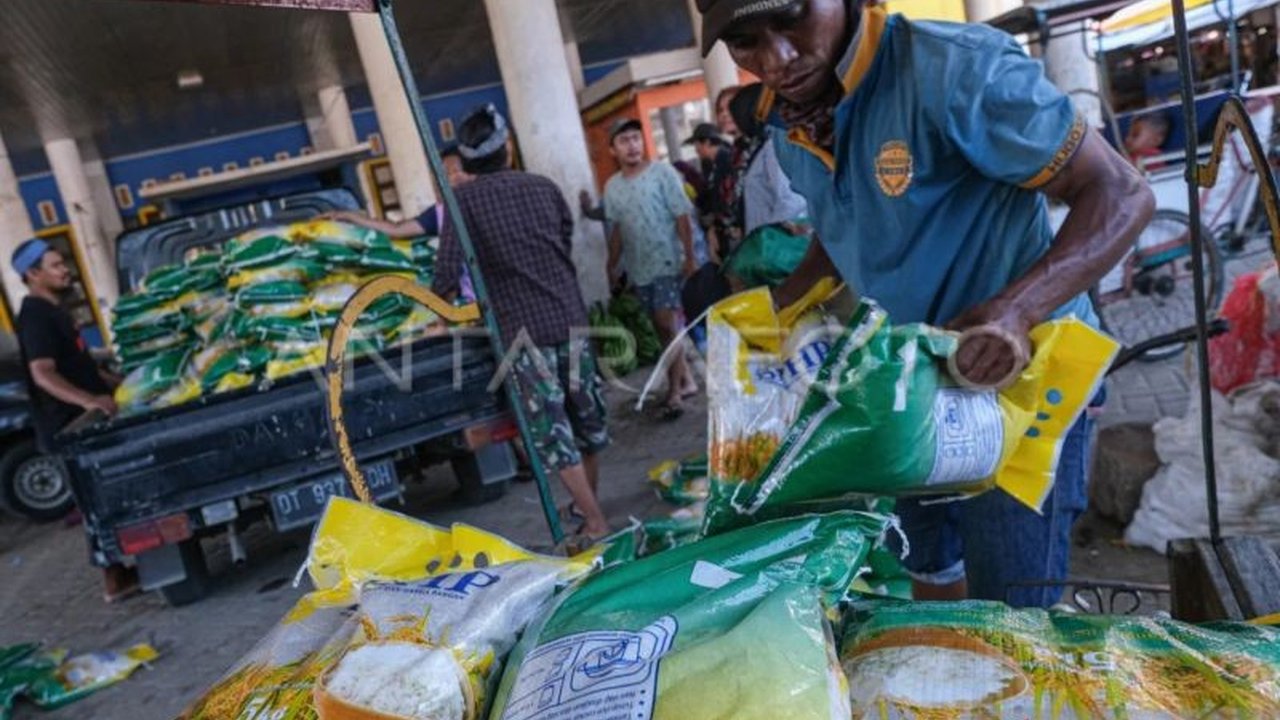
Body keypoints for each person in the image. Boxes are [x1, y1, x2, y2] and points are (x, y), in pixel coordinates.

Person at [699, 0, 1154, 608]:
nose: (776, 58)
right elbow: (844, 229)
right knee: (931, 566)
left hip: (1014, 392)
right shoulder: (787, 123)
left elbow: (1121, 193)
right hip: (907, 390)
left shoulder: (956, 71)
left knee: (1010, 607)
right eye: (746, 40)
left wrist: (1017, 310)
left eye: (793, 19)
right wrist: (773, 310)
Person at [431, 105, 612, 543]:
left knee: (551, 427)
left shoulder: (464, 203)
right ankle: (590, 507)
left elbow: (446, 276)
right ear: (507, 147)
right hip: (570, 318)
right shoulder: (543, 186)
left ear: (467, 159)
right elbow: (562, 238)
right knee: (586, 419)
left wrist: (439, 317)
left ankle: (595, 520)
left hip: (520, 333)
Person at [11, 239, 136, 601]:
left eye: (62, 263)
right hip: (68, 427)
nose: (65, 269)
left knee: (104, 498)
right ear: (33, 275)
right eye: (54, 265)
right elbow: (42, 373)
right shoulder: (34, 315)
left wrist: (125, 385)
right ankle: (114, 580)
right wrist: (89, 401)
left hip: (85, 420)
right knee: (93, 504)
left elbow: (83, 366)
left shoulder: (56, 309)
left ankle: (123, 571)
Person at [603, 118, 700, 420]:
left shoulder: (662, 173)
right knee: (661, 329)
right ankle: (686, 380)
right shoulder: (612, 186)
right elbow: (617, 227)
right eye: (624, 141)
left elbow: (682, 215)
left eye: (635, 138)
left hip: (668, 261)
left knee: (666, 323)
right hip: (638, 267)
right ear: (613, 150)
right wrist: (612, 263)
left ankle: (674, 393)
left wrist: (689, 256)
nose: (632, 145)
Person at [324, 143, 474, 238]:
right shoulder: (441, 213)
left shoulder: (490, 198)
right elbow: (397, 230)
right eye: (445, 174)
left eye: (455, 171)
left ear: (472, 174)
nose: (450, 178)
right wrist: (350, 217)